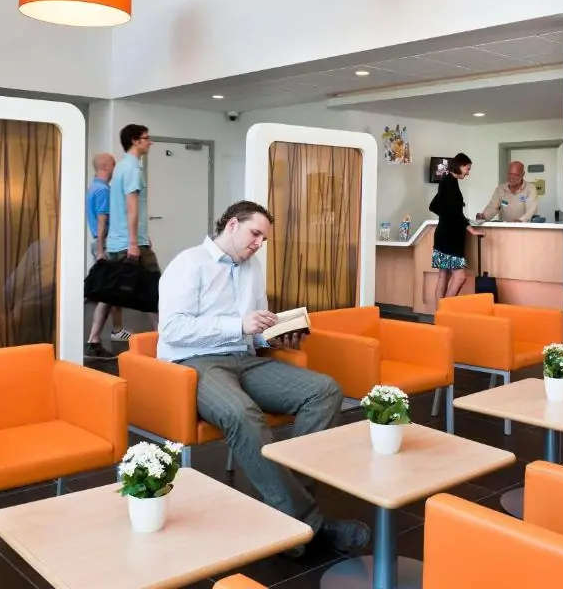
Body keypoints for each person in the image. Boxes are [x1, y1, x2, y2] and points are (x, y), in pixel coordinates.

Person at [157, 200, 370, 558]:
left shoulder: (252, 268)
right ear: (231, 225)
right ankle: (306, 524)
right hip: (194, 363)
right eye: (255, 234)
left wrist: (274, 336)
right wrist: (238, 325)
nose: (259, 244)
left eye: (263, 239)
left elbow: (254, 330)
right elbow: (173, 329)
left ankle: (285, 511)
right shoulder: (189, 263)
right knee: (241, 413)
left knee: (324, 390)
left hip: (245, 358)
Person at [106, 124, 159, 330]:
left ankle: (94, 337)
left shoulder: (120, 166)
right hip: (129, 243)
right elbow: (131, 208)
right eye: (146, 138)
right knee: (155, 291)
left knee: (111, 293)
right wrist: (134, 242)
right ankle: (165, 338)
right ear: (135, 141)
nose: (150, 142)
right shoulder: (133, 169)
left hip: (117, 241)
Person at [85, 152, 131, 360]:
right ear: (105, 166)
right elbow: (102, 223)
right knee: (108, 294)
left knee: (114, 292)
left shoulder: (94, 187)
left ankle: (117, 329)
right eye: (113, 164)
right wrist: (101, 251)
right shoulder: (103, 190)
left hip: (103, 243)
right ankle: (93, 341)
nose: (115, 168)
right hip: (105, 244)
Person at [429, 152, 483, 299]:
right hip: (450, 239)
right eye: (468, 169)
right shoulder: (449, 183)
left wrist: (446, 217)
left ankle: (439, 311)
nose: (468, 173)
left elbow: (433, 206)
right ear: (460, 166)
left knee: (443, 276)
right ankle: (446, 310)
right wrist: (471, 229)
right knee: (460, 277)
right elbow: (454, 212)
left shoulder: (447, 181)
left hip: (443, 236)